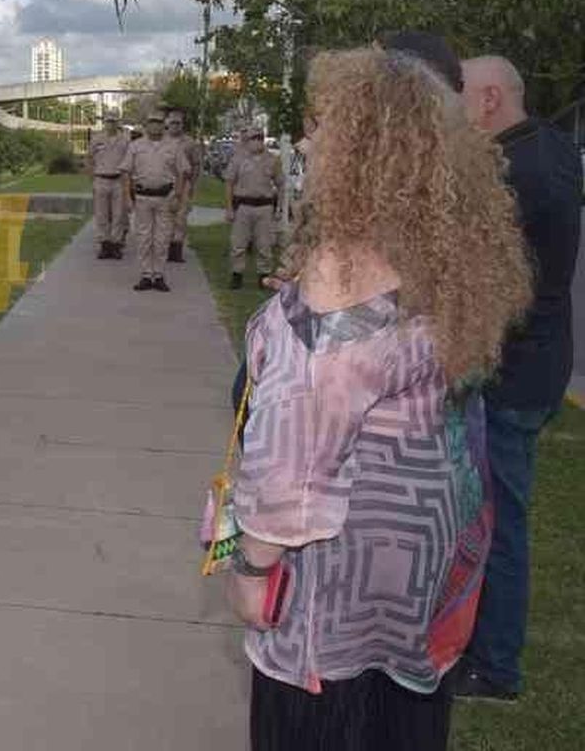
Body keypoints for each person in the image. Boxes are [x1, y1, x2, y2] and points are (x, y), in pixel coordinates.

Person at [227, 47, 531, 750]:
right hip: (417, 561)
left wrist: (253, 567)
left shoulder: (345, 270)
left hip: (335, 574)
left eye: (322, 124)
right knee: (398, 719)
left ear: (366, 148)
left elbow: (294, 459)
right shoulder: (437, 252)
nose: (306, 140)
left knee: (321, 724)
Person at [452, 55, 583, 701]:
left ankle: (496, 665)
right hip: (540, 361)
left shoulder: (513, 172)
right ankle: (480, 642)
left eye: (463, 98)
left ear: (492, 99)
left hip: (514, 370)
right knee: (487, 514)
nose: (456, 111)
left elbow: (496, 285)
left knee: (498, 523)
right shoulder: (552, 149)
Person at [121, 111, 190, 291]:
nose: (155, 125)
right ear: (146, 125)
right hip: (143, 197)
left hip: (165, 198)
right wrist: (127, 198)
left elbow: (182, 172)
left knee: (162, 238)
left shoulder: (174, 147)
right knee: (143, 237)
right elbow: (126, 173)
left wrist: (178, 196)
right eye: (151, 122)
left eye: (159, 122)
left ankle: (158, 275)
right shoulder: (135, 146)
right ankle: (145, 274)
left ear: (163, 125)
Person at [224, 128, 283, 289]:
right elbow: (229, 183)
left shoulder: (272, 160)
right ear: (247, 141)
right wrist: (229, 208)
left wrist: (279, 208)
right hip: (243, 206)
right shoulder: (238, 159)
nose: (257, 141)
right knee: (238, 243)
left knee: (264, 245)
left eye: (259, 138)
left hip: (264, 207)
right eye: (253, 138)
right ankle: (237, 275)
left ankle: (263, 276)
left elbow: (280, 184)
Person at [88, 112, 130, 259]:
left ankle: (116, 245)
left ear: (117, 122)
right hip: (100, 179)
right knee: (101, 214)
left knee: (119, 214)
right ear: (104, 123)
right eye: (108, 121)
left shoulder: (125, 140)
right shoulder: (96, 139)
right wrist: (92, 179)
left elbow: (129, 161)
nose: (110, 124)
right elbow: (90, 159)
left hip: (118, 180)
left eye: (113, 121)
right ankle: (104, 245)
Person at [165, 108, 202, 263]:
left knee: (180, 218)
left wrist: (192, 185)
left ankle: (177, 250)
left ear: (182, 125)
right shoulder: (161, 140)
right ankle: (166, 249)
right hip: (165, 184)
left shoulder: (190, 142)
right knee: (166, 218)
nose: (175, 126)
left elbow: (196, 165)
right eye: (172, 122)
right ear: (167, 123)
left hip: (184, 183)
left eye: (178, 123)